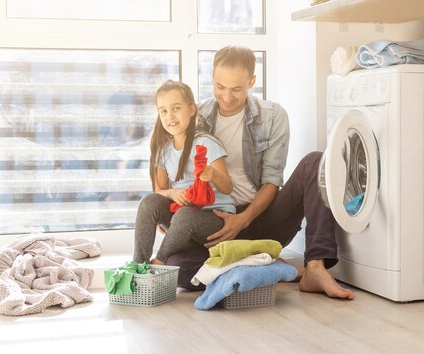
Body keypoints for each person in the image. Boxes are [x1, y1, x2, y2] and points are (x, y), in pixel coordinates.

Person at [165, 45, 354, 300]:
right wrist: (173, 220)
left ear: (252, 81)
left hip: (262, 217)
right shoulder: (195, 117)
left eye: (237, 89)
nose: (227, 97)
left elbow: (272, 182)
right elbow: (171, 170)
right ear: (212, 78)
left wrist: (243, 219)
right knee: (176, 268)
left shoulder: (272, 116)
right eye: (220, 87)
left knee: (315, 161)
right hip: (216, 223)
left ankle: (314, 267)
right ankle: (266, 262)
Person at [133, 80, 234, 265]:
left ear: (192, 109)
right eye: (163, 111)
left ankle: (159, 262)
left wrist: (213, 174)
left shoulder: (206, 142)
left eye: (176, 108)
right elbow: (159, 189)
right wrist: (173, 193)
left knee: (185, 215)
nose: (169, 116)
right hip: (182, 216)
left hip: (214, 219)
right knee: (149, 202)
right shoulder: (163, 150)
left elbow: (227, 188)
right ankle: (138, 265)